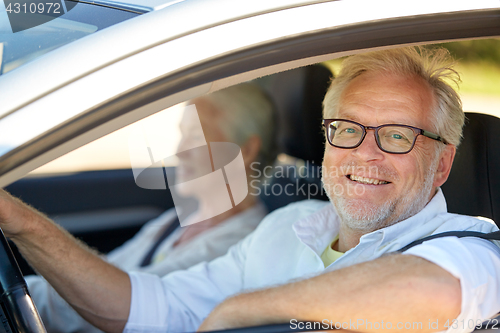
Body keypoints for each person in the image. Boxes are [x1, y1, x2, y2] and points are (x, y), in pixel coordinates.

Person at [0, 46, 499, 333]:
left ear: (442, 164)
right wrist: (21, 224)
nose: (365, 153)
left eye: (397, 136)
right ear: (326, 139)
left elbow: (427, 291)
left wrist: (237, 310)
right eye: (347, 128)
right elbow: (156, 307)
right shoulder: (287, 225)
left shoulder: (475, 246)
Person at [23, 83, 277, 332]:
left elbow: (118, 301)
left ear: (244, 151)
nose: (180, 151)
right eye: (182, 134)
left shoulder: (240, 245)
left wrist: (24, 228)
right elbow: (108, 270)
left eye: (197, 136)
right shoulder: (176, 221)